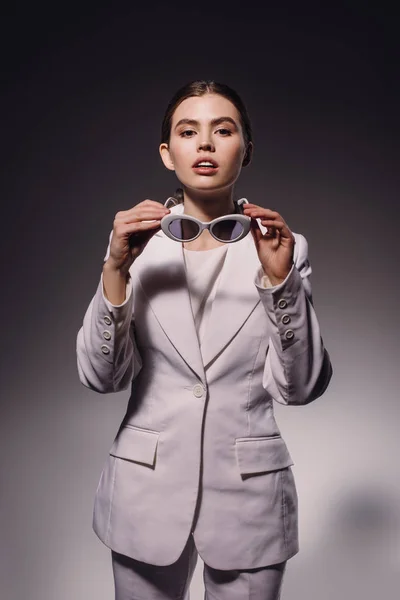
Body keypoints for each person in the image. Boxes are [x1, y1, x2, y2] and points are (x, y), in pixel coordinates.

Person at [76, 79, 333, 600]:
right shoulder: (133, 241)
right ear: (169, 154)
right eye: (189, 131)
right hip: (144, 493)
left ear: (247, 150)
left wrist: (281, 284)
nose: (207, 144)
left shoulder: (283, 246)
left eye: (224, 129)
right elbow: (101, 378)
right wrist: (114, 270)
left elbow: (301, 387)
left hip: (249, 497)